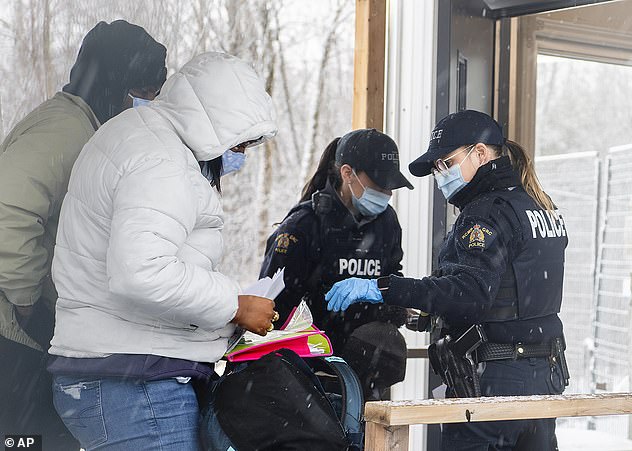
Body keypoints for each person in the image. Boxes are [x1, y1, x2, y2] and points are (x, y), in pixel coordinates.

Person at [47, 51, 278, 450]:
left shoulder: (143, 137)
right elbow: (142, 272)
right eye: (239, 142)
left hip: (118, 371)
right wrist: (234, 305)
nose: (238, 154)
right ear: (216, 124)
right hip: (130, 381)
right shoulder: (161, 161)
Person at [326, 110, 569, 450]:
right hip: (542, 376)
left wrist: (384, 287)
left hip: (496, 383)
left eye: (446, 163)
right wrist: (430, 314)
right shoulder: (537, 206)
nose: (441, 175)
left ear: (480, 153)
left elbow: (468, 294)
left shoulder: (486, 212)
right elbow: (512, 293)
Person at [0, 20, 166, 449]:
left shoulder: (83, 126)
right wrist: (28, 303)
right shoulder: (65, 130)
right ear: (117, 82)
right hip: (15, 341)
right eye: (146, 94)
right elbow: (7, 210)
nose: (148, 105)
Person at [260, 129, 413, 400]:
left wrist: (393, 307)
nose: (386, 193)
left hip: (370, 368)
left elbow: (391, 277)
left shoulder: (387, 222)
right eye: (378, 184)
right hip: (311, 374)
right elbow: (271, 304)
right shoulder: (304, 226)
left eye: (390, 186)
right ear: (347, 173)